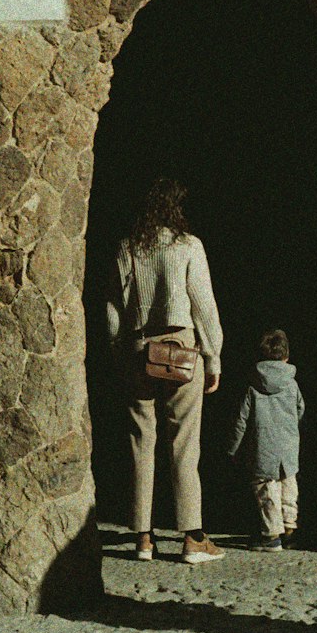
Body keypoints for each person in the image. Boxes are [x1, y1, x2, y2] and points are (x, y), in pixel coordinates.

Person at [106, 176, 225, 565]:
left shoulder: (127, 248)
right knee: (185, 445)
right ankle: (192, 538)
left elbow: (113, 309)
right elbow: (203, 306)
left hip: (141, 351)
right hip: (183, 353)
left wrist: (119, 352)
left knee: (141, 443)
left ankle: (143, 537)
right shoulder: (190, 246)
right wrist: (214, 357)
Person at [228, 327, 304, 551]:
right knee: (288, 484)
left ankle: (271, 536)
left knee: (266, 490)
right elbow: (301, 411)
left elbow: (241, 420)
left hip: (263, 448)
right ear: (286, 356)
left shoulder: (252, 386)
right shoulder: (292, 384)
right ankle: (290, 528)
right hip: (288, 447)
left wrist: (233, 448)